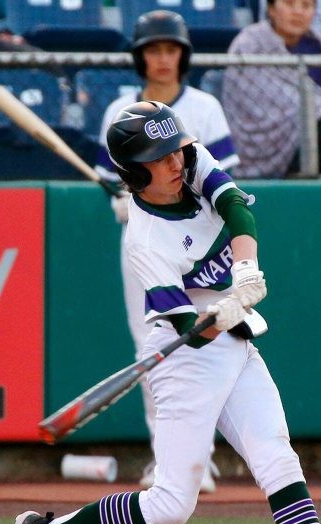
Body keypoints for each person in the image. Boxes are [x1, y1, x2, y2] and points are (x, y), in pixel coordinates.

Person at [0, 101, 321, 524]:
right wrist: (214, 315)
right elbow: (186, 327)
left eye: (174, 148)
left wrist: (244, 271)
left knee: (276, 459)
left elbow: (239, 214)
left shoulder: (192, 160)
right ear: (133, 172)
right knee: (171, 506)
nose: (174, 160)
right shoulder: (143, 243)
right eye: (158, 157)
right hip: (186, 357)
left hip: (235, 339)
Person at [93, 10, 240, 493]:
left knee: (216, 343)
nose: (162, 59)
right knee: (155, 345)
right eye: (153, 50)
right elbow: (111, 179)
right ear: (140, 57)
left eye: (169, 49)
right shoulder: (118, 109)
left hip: (204, 243)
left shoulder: (204, 106)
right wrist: (123, 201)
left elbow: (225, 182)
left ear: (182, 55)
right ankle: (169, 458)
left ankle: (205, 458)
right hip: (149, 247)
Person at [224, 0, 321, 178]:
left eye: (306, 5)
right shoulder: (249, 45)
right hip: (262, 146)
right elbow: (255, 104)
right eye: (289, 3)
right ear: (271, 9)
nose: (298, 12)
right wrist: (320, 111)